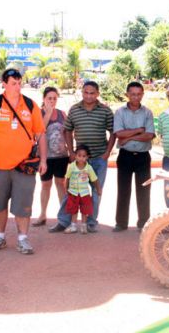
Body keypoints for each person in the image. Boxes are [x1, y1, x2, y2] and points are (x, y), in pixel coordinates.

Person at [0, 68, 47, 254]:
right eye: (13, 83)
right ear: (4, 84)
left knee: (23, 205)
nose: (18, 87)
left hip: (24, 166)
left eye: (19, 83)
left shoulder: (30, 105)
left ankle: (23, 239)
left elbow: (40, 134)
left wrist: (44, 159)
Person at [48, 81, 116, 233]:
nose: (89, 96)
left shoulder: (105, 111)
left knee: (96, 192)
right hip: (78, 160)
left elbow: (113, 132)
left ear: (97, 94)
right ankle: (64, 221)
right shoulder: (74, 110)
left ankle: (91, 223)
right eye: (86, 92)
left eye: (92, 93)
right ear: (82, 92)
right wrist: (71, 152)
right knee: (71, 191)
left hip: (99, 159)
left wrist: (107, 153)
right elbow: (67, 130)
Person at [113, 81, 155, 232]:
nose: (135, 97)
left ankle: (143, 222)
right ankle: (121, 223)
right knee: (123, 189)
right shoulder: (120, 112)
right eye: (132, 94)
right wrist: (138, 130)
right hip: (125, 156)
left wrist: (128, 137)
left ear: (142, 95)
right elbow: (118, 133)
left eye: (138, 94)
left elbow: (149, 135)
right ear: (127, 95)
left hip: (143, 157)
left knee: (144, 190)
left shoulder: (147, 113)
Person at [33, 86, 69, 227]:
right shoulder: (39, 113)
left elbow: (67, 133)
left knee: (61, 184)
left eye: (54, 98)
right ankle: (42, 214)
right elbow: (39, 131)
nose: (52, 101)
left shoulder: (62, 114)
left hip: (61, 156)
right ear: (44, 99)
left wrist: (70, 151)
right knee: (45, 185)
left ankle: (64, 216)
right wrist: (47, 113)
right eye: (49, 98)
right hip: (45, 157)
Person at [64, 144, 102, 234]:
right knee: (73, 210)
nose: (81, 158)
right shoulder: (71, 167)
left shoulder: (88, 168)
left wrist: (99, 189)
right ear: (75, 156)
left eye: (84, 156)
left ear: (87, 157)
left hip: (84, 193)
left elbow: (95, 179)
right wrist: (66, 188)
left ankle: (83, 226)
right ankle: (73, 226)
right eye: (79, 155)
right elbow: (67, 178)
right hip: (73, 192)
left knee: (85, 210)